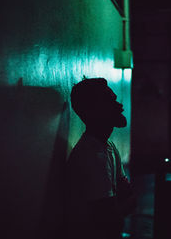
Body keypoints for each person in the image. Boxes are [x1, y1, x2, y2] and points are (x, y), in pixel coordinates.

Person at [65, 78, 136, 239]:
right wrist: (118, 209)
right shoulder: (92, 156)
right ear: (95, 111)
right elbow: (109, 220)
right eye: (111, 101)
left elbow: (128, 200)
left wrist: (117, 209)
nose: (120, 106)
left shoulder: (108, 146)